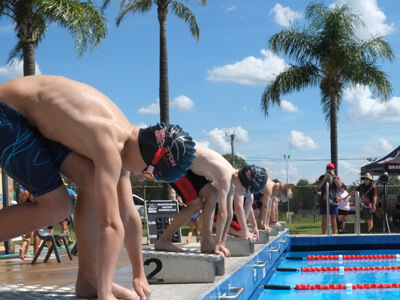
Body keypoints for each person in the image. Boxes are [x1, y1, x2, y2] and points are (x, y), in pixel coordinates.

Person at [0, 75, 196, 300]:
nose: (142, 178)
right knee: (58, 207)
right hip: (6, 113)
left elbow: (129, 216)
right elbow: (111, 225)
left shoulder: (126, 139)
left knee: (92, 180)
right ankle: (98, 286)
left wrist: (139, 273)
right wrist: (105, 295)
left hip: (29, 119)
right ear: (152, 157)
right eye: (149, 174)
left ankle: (88, 281)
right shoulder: (109, 144)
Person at [154, 145, 267, 257]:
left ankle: (206, 243)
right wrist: (216, 244)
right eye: (247, 191)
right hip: (174, 160)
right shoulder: (226, 176)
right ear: (245, 184)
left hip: (188, 165)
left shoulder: (233, 179)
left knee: (212, 193)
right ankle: (163, 240)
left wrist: (221, 243)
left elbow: (229, 214)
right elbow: (222, 213)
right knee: (195, 205)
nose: (245, 194)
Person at [317, 163, 341, 234]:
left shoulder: (336, 177)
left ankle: (334, 234)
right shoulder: (322, 177)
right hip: (324, 200)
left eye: (331, 169)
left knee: (333, 218)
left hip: (333, 200)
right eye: (328, 169)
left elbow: (339, 186)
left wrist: (334, 176)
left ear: (334, 170)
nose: (329, 170)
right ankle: (323, 234)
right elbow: (319, 186)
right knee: (324, 218)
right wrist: (325, 177)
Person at [18, 188, 40, 260]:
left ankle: (25, 253)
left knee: (28, 236)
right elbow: (38, 205)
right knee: (36, 235)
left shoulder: (22, 194)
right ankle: (35, 253)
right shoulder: (34, 194)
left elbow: (19, 205)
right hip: (34, 216)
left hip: (25, 216)